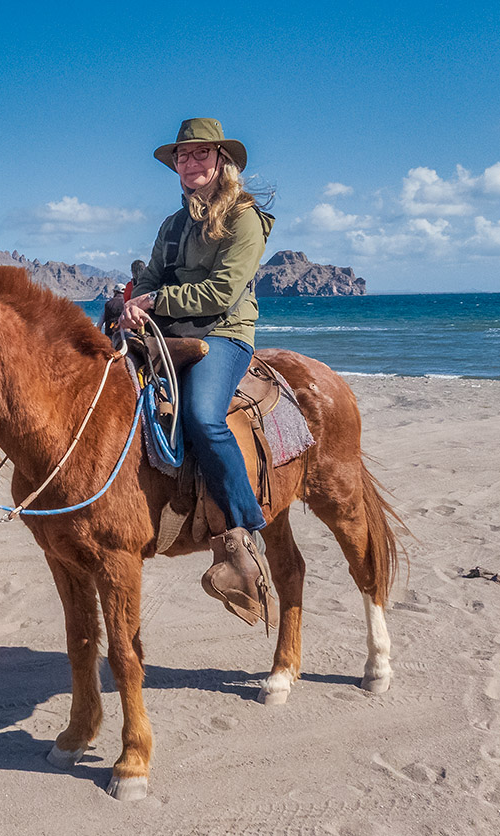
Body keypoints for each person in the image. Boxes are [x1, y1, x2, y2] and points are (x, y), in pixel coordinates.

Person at [119, 119, 277, 628]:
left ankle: (241, 530)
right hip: (166, 331)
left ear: (221, 162)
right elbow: (149, 278)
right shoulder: (172, 224)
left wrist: (156, 299)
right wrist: (131, 307)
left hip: (223, 334)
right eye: (182, 157)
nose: (189, 163)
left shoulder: (245, 220)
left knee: (202, 415)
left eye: (199, 155)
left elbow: (222, 292)